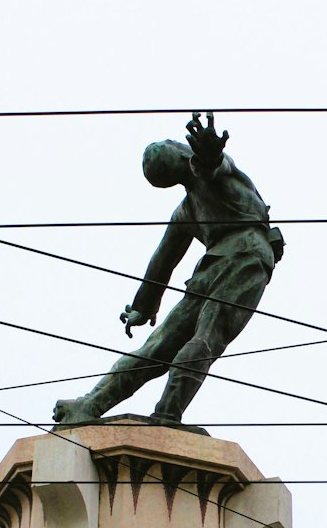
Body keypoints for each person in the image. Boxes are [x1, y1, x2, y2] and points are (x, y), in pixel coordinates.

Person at [52, 112, 284, 427]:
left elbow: (162, 261)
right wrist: (208, 156)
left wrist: (142, 307)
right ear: (181, 153)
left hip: (211, 267)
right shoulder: (206, 177)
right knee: (208, 336)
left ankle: (91, 405)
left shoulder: (187, 208)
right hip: (247, 257)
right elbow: (212, 167)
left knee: (158, 345)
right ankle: (166, 414)